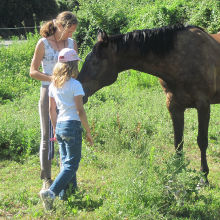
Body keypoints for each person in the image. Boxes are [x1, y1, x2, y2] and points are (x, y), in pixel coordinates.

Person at [40, 48, 93, 210]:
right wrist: (88, 131)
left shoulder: (53, 85)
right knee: (72, 164)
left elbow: (51, 110)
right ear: (73, 65)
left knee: (65, 162)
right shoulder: (75, 85)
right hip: (72, 125)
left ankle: (68, 194)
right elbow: (80, 110)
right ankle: (51, 192)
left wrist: (55, 130)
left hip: (61, 125)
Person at [30, 11, 78, 190]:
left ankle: (65, 178)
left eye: (73, 31)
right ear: (60, 26)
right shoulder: (43, 44)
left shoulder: (72, 43)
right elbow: (33, 71)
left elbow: (75, 70)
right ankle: (46, 179)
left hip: (67, 95)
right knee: (48, 136)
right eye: (70, 31)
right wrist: (54, 79)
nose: (71, 35)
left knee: (66, 134)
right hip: (48, 92)